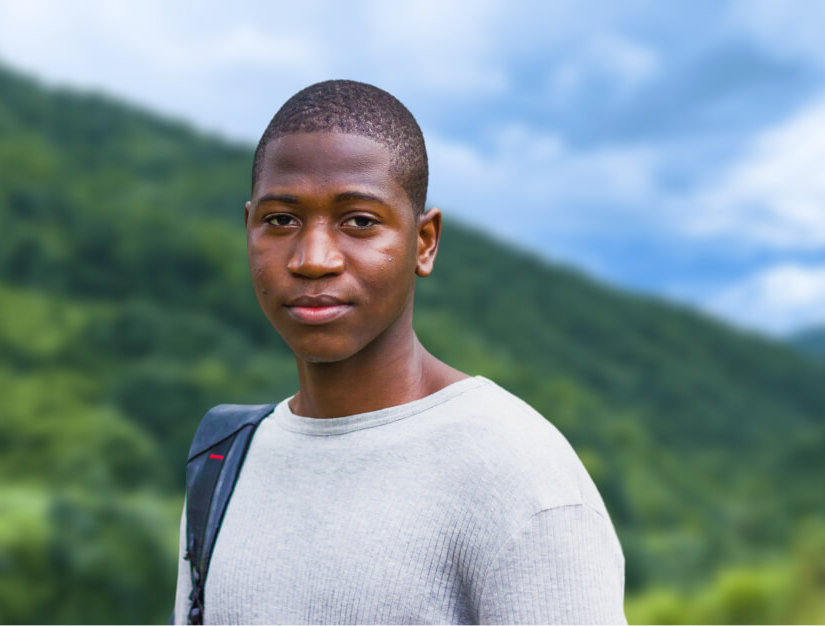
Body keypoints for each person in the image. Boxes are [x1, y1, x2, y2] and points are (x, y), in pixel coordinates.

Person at [172, 79, 626, 624]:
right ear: (248, 229)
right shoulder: (223, 463)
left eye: (359, 221)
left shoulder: (518, 475)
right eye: (281, 220)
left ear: (424, 241)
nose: (314, 258)